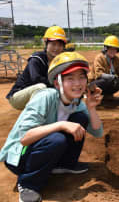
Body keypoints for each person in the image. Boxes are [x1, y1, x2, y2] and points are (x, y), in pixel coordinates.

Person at [0, 52, 103, 202]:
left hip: (41, 148)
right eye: (70, 78)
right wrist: (61, 124)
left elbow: (98, 132)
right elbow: (24, 138)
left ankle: (64, 164)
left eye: (81, 77)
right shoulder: (45, 97)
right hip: (19, 157)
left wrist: (91, 107)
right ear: (57, 83)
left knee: (80, 119)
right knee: (57, 138)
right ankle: (27, 184)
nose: (77, 83)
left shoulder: (77, 103)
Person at [6, 25, 67, 110]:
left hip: (35, 95)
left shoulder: (58, 62)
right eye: (53, 44)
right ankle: (34, 117)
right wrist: (59, 85)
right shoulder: (37, 59)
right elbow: (36, 79)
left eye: (60, 45)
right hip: (17, 96)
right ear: (46, 43)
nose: (56, 48)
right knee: (41, 87)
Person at [88, 35, 119, 100]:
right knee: (108, 80)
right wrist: (112, 77)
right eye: (111, 48)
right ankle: (92, 96)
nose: (113, 51)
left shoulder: (116, 59)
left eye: (115, 49)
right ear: (106, 48)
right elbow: (99, 74)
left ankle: (107, 95)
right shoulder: (99, 57)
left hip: (107, 81)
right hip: (93, 83)